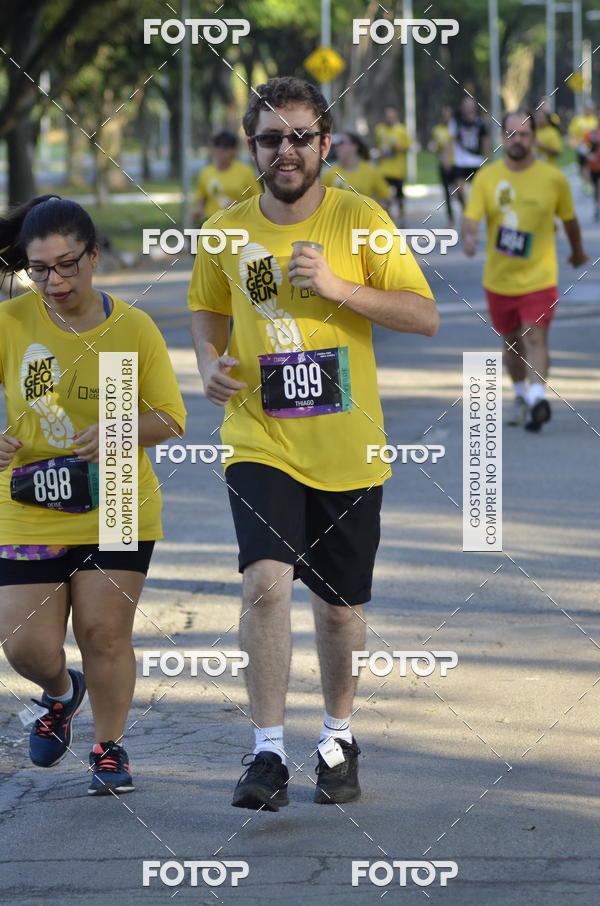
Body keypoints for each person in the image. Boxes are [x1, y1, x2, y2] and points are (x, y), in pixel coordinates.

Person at [188, 76, 438, 811]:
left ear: (325, 143)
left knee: (337, 608)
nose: (287, 150)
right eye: (271, 138)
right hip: (259, 438)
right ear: (252, 147)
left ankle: (337, 738)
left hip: (347, 447)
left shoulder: (361, 220)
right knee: (265, 585)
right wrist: (208, 363)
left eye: (301, 136)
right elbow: (206, 308)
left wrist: (338, 287)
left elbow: (423, 315)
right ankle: (267, 753)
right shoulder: (224, 230)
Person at [0, 195, 186, 795]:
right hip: (28, 503)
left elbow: (171, 417)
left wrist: (118, 429)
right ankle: (60, 694)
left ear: (94, 256)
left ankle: (108, 748)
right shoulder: (11, 323)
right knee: (25, 646)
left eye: (67, 264)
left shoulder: (132, 328)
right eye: (39, 269)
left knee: (104, 633)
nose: (55, 281)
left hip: (118, 499)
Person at [462, 112, 589, 431]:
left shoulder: (553, 179)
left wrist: (577, 252)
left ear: (534, 138)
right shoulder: (488, 177)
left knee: (534, 334)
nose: (517, 140)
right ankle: (520, 395)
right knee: (512, 343)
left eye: (523, 134)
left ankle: (536, 400)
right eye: (511, 134)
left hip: (539, 277)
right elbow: (472, 217)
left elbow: (570, 220)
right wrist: (470, 236)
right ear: (502, 138)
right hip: (499, 280)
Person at [192, 130, 260, 222]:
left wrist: (240, 207)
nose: (220, 150)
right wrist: (198, 210)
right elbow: (201, 199)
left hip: (238, 223)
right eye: (217, 145)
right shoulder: (206, 173)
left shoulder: (245, 171)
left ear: (234, 150)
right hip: (212, 223)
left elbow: (258, 200)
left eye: (225, 146)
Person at [322, 132, 393, 208]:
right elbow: (321, 202)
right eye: (337, 144)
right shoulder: (330, 173)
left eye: (342, 143)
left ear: (354, 147)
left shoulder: (371, 171)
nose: (337, 147)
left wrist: (374, 210)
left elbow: (387, 198)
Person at [449, 96, 489, 208]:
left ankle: (474, 210)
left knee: (478, 190)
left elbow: (485, 140)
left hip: (476, 161)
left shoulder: (480, 123)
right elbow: (451, 141)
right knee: (459, 190)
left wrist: (487, 157)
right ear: (462, 107)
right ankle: (465, 208)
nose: (468, 108)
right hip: (461, 162)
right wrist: (448, 158)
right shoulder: (456, 122)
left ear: (474, 107)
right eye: (466, 106)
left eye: (470, 106)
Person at [374, 105, 411, 220]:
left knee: (399, 195)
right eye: (387, 116)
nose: (389, 118)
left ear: (396, 116)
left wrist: (398, 146)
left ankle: (401, 211)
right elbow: (377, 146)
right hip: (384, 169)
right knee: (384, 196)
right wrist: (380, 151)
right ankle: (388, 218)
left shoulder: (402, 130)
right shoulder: (380, 129)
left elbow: (408, 147)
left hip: (397, 170)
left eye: (391, 116)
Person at [431, 106, 456, 223]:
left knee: (459, 191)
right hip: (443, 165)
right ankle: (451, 219)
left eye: (448, 115)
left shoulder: (455, 129)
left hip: (455, 164)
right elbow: (436, 147)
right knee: (447, 194)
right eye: (444, 115)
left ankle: (465, 213)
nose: (446, 118)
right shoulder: (437, 130)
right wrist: (436, 148)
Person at [567, 101, 598, 182]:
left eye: (590, 109)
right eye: (587, 108)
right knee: (582, 165)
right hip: (581, 146)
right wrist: (572, 142)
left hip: (592, 147)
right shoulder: (578, 119)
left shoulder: (595, 120)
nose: (589, 110)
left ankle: (591, 181)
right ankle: (584, 181)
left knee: (592, 165)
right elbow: (572, 132)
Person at [582, 123, 600, 220]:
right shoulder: (591, 133)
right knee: (596, 189)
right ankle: (597, 207)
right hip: (594, 168)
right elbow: (584, 148)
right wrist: (588, 156)